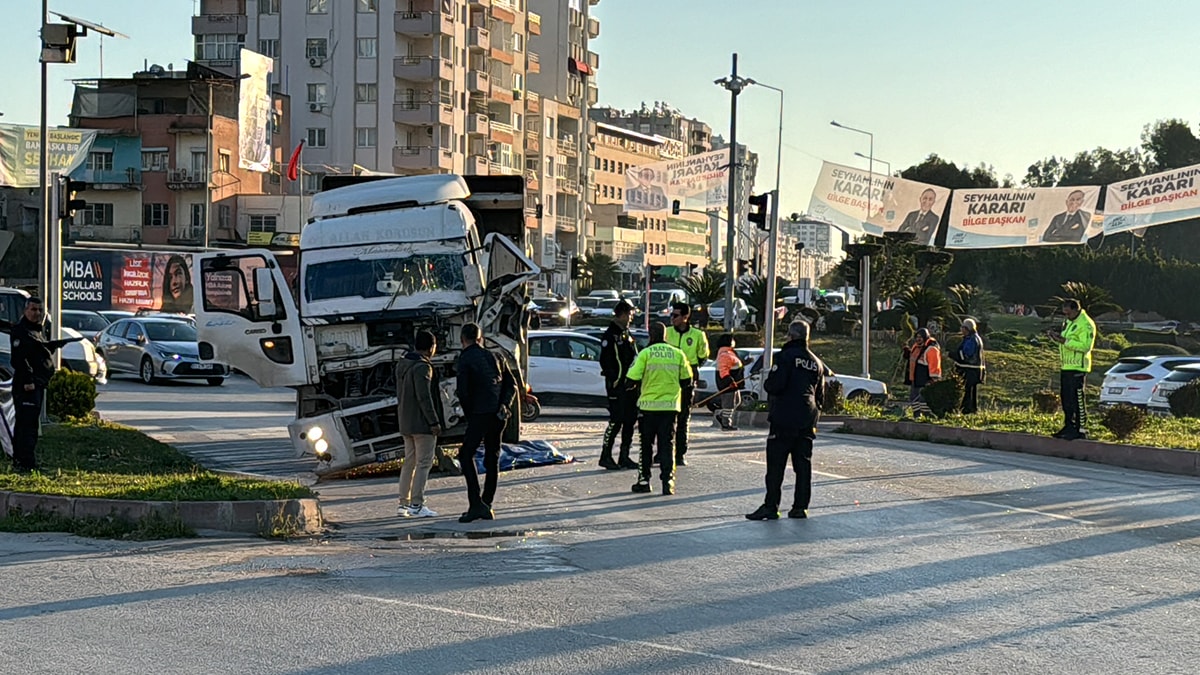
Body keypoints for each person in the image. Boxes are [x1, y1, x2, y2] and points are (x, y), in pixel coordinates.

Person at [746, 320, 825, 520]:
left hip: (784, 418)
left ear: (790, 335)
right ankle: (800, 507)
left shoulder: (784, 356)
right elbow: (821, 397)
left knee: (776, 466)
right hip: (807, 418)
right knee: (803, 465)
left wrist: (769, 383)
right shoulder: (816, 362)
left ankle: (771, 506)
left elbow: (775, 385)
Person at [10, 297, 84, 472]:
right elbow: (19, 359)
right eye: (33, 310)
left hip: (38, 383)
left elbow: (37, 350)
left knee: (31, 425)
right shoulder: (21, 331)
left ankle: (27, 461)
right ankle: (24, 463)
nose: (37, 313)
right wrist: (28, 381)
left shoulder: (36, 330)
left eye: (39, 310)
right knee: (26, 426)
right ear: (25, 311)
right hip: (27, 386)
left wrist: (53, 346)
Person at [455, 322, 517, 522]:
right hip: (498, 414)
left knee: (465, 456)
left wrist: (469, 414)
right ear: (480, 338)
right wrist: (505, 405)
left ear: (462, 339)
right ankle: (486, 502)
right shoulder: (496, 356)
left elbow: (463, 392)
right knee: (492, 457)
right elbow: (511, 385)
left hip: (480, 413)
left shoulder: (465, 359)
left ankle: (475, 503)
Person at [625, 321, 693, 496]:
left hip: (648, 409)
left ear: (650, 334)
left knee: (646, 445)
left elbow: (631, 379)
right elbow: (687, 381)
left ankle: (644, 480)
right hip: (670, 408)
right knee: (667, 445)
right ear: (665, 335)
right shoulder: (678, 354)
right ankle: (668, 481)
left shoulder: (645, 354)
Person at [396, 330, 444, 518]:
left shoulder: (403, 363)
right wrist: (434, 421)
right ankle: (417, 504)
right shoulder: (423, 367)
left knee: (409, 463)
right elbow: (425, 398)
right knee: (424, 463)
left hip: (406, 422)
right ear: (431, 347)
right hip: (422, 424)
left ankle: (403, 503)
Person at [664, 302, 709, 466]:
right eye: (671, 315)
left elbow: (703, 356)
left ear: (685, 317)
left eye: (675, 316)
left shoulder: (697, 335)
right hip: (667, 379)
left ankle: (680, 453)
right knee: (666, 418)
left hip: (686, 380)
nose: (672, 319)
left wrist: (691, 369)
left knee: (683, 418)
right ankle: (664, 451)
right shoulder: (667, 333)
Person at [598, 300, 640, 470]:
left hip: (630, 387)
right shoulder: (611, 336)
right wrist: (616, 381)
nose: (631, 317)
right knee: (616, 421)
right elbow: (607, 362)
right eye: (630, 314)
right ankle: (605, 455)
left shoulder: (626, 334)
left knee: (630, 421)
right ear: (622, 314)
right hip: (618, 386)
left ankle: (625, 456)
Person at [1046, 299, 1095, 440]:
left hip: (1078, 366)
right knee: (1066, 399)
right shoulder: (1069, 322)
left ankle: (1081, 429)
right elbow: (1066, 340)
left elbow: (1086, 346)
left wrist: (1065, 341)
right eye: (1064, 313)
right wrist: (1057, 338)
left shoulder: (1085, 324)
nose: (1066, 316)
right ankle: (1069, 426)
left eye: (1068, 313)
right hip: (1066, 365)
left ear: (1076, 310)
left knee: (1077, 398)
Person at [953, 318, 986, 414]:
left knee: (968, 391)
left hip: (970, 369)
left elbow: (967, 354)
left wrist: (956, 355)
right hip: (974, 369)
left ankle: (967, 410)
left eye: (962, 327)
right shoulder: (975, 337)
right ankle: (972, 410)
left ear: (967, 328)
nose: (961, 329)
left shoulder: (972, 339)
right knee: (971, 390)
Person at [904, 328, 942, 410]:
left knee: (923, 399)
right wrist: (907, 354)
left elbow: (935, 364)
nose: (918, 339)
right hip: (915, 377)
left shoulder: (931, 349)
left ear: (925, 337)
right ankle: (916, 415)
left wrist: (933, 379)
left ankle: (925, 415)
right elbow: (914, 358)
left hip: (924, 379)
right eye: (917, 337)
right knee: (913, 398)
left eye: (920, 337)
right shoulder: (916, 346)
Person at [713, 333, 744, 431]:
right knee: (728, 405)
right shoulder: (724, 354)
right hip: (728, 384)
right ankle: (726, 423)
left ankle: (722, 416)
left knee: (737, 401)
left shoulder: (730, 353)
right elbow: (723, 370)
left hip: (734, 384)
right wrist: (729, 381)